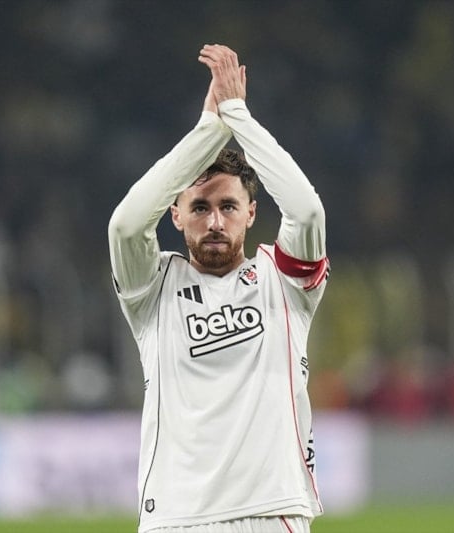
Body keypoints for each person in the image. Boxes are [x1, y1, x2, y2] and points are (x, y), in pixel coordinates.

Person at [108, 44, 329, 533]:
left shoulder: (284, 281)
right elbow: (125, 225)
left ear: (251, 213)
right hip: (175, 518)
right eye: (199, 207)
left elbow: (307, 210)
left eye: (228, 207)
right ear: (174, 214)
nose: (214, 222)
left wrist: (237, 116)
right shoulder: (152, 290)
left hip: (270, 510)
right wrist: (208, 130)